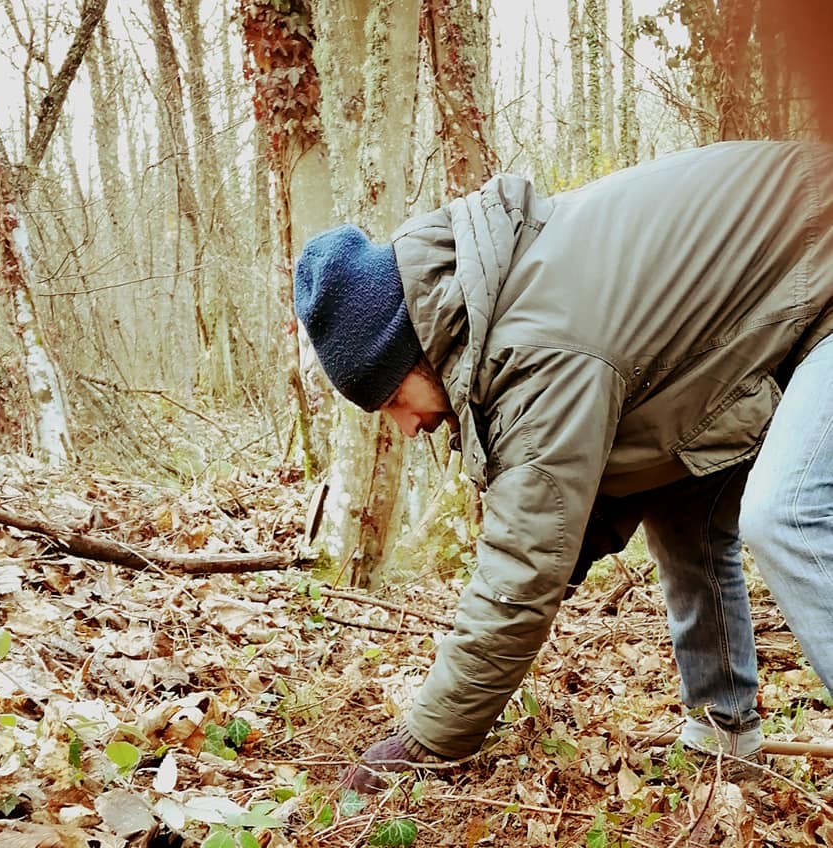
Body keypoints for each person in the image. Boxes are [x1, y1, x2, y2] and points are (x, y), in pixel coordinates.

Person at [292, 140, 833, 794]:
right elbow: (578, 510)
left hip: (821, 273)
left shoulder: (537, 340)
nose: (407, 427)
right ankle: (727, 740)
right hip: (783, 300)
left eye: (393, 402)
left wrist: (422, 743)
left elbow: (524, 569)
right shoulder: (506, 305)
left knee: (786, 511)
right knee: (680, 505)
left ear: (414, 354)